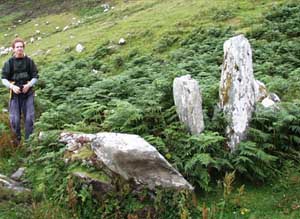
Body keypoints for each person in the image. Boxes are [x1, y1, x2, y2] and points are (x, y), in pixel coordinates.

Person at [1, 38, 39, 143]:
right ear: (13, 49)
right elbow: (3, 78)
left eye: (21, 47)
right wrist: (12, 87)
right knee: (15, 120)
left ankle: (29, 142)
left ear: (24, 48)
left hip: (28, 93)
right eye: (17, 47)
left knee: (29, 118)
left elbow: (35, 76)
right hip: (14, 94)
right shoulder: (9, 63)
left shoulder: (29, 61)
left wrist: (29, 85)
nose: (19, 49)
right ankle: (17, 143)